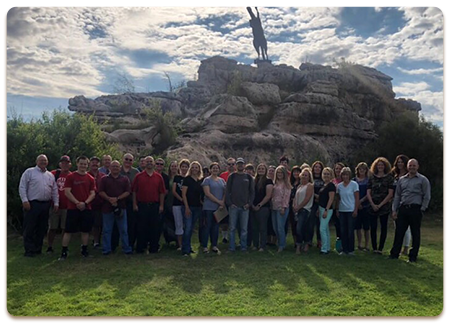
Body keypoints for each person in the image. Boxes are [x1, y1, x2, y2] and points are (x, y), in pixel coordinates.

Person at [389, 159, 431, 263]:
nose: (412, 167)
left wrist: (422, 209)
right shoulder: (402, 180)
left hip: (415, 209)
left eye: (414, 165)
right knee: (399, 232)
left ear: (417, 167)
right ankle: (394, 254)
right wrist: (394, 210)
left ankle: (413, 257)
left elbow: (427, 196)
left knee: (415, 233)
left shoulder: (423, 180)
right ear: (407, 167)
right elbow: (397, 196)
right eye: (410, 165)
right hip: (403, 209)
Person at [19, 154, 59, 257]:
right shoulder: (29, 172)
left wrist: (56, 202)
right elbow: (22, 187)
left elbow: (54, 190)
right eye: (41, 160)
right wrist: (25, 200)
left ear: (47, 162)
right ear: (37, 161)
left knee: (42, 228)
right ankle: (29, 250)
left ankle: (38, 249)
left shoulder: (50, 175)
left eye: (45, 161)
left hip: (45, 204)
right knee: (30, 228)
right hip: (32, 204)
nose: (43, 162)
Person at [59, 156, 96, 260]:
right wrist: (77, 203)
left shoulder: (90, 178)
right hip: (73, 208)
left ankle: (84, 251)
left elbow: (93, 193)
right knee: (68, 231)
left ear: (87, 165)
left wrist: (85, 203)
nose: (83, 166)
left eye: (85, 164)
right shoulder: (71, 177)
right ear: (77, 164)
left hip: (86, 208)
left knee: (85, 231)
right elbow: (67, 192)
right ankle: (64, 252)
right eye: (81, 163)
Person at [132, 156, 166, 254]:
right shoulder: (138, 176)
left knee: (154, 228)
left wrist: (161, 206)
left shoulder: (158, 177)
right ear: (144, 163)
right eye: (147, 161)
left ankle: (153, 248)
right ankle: (141, 248)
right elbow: (134, 191)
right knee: (141, 228)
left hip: (154, 206)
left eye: (151, 161)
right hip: (142, 205)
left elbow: (162, 192)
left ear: (154, 163)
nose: (149, 163)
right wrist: (134, 204)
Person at [98, 160, 132, 255]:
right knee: (107, 230)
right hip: (107, 208)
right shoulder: (104, 179)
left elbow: (128, 192)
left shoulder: (125, 179)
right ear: (110, 168)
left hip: (121, 207)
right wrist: (109, 199)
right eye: (113, 166)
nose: (115, 168)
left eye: (117, 166)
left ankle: (126, 249)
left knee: (124, 230)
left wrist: (117, 198)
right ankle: (106, 250)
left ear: (120, 168)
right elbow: (100, 191)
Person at [226, 157, 255, 252]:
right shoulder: (232, 176)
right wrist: (230, 203)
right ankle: (231, 247)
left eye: (241, 164)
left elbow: (252, 192)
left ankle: (243, 247)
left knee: (244, 229)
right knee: (232, 228)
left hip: (245, 207)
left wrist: (249, 204)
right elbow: (227, 191)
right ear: (236, 165)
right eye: (238, 164)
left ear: (244, 165)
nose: (240, 165)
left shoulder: (248, 177)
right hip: (234, 206)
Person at [367, 157, 394, 255]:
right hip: (372, 205)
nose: (380, 167)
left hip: (384, 206)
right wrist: (372, 204)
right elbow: (368, 192)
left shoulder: (389, 178)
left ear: (385, 166)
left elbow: (390, 193)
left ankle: (380, 248)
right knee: (373, 227)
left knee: (383, 227)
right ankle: (374, 247)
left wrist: (381, 204)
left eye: (382, 165)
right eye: (378, 165)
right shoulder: (372, 177)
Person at [46, 155, 72, 254]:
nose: (65, 165)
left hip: (67, 206)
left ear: (70, 164)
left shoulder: (71, 176)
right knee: (52, 227)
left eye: (67, 163)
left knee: (65, 228)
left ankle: (64, 246)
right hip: (54, 205)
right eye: (63, 163)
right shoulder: (53, 174)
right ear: (60, 164)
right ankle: (49, 246)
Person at [201, 162, 226, 254]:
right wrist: (218, 201)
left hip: (219, 208)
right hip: (208, 207)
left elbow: (225, 192)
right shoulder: (207, 180)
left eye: (217, 168)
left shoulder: (222, 181)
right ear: (210, 170)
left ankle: (214, 245)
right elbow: (207, 194)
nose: (215, 169)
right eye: (213, 168)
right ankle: (204, 246)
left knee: (215, 227)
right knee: (207, 227)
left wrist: (222, 202)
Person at [181, 161, 204, 256]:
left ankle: (189, 247)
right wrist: (186, 207)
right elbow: (183, 194)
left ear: (199, 169)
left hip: (197, 207)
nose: (194, 169)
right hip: (188, 207)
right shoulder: (187, 179)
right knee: (188, 228)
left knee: (191, 228)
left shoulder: (200, 180)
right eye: (193, 167)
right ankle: (185, 249)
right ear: (190, 169)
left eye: (196, 167)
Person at [336, 167, 360, 256]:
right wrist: (337, 209)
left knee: (350, 231)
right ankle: (344, 249)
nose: (345, 177)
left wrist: (355, 209)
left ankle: (351, 250)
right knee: (343, 230)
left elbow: (357, 198)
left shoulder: (354, 184)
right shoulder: (339, 186)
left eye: (346, 175)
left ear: (349, 175)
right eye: (343, 175)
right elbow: (338, 199)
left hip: (351, 210)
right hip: (342, 210)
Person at [391, 154, 411, 256]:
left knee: (406, 227)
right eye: (398, 162)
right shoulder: (395, 175)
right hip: (395, 202)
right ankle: (398, 247)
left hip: (405, 203)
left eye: (401, 162)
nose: (400, 164)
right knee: (397, 227)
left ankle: (406, 247)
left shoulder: (409, 175)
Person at [120, 153, 140, 251]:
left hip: (131, 201)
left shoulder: (136, 172)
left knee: (131, 224)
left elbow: (138, 188)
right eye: (126, 159)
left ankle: (130, 244)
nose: (128, 161)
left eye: (130, 160)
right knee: (117, 225)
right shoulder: (117, 170)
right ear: (122, 159)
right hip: (119, 201)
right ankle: (116, 245)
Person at [251, 163, 273, 251]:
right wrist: (252, 205)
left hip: (263, 207)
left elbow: (268, 196)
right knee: (254, 227)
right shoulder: (253, 180)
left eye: (262, 169)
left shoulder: (268, 181)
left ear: (265, 170)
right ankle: (255, 245)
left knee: (262, 227)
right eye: (259, 168)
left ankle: (262, 246)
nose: (261, 170)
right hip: (253, 207)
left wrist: (259, 205)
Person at [293, 168, 314, 254]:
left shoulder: (310, 186)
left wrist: (299, 206)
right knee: (301, 228)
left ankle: (299, 245)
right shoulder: (299, 186)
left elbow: (307, 198)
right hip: (297, 210)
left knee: (300, 228)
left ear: (309, 177)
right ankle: (303, 244)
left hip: (305, 209)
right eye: (303, 175)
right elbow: (295, 197)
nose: (304, 177)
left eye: (306, 175)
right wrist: (294, 206)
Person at [271, 166, 292, 253]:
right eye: (278, 173)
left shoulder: (286, 184)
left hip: (282, 207)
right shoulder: (274, 183)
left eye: (281, 173)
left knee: (280, 227)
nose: (279, 174)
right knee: (275, 227)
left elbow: (286, 197)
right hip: (274, 207)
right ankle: (280, 242)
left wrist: (283, 207)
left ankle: (282, 245)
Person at [88, 156, 106, 249]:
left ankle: (97, 241)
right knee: (90, 224)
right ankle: (87, 242)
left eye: (97, 162)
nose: (95, 164)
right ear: (89, 164)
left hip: (100, 203)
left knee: (99, 224)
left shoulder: (103, 176)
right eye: (93, 162)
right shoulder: (86, 175)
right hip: (88, 203)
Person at [172, 159, 190, 251]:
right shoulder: (177, 177)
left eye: (186, 167)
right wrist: (181, 199)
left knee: (187, 225)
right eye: (182, 166)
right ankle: (180, 245)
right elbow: (174, 191)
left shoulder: (189, 178)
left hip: (187, 204)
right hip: (177, 204)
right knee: (178, 224)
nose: (184, 168)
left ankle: (186, 243)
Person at [318, 167, 336, 255]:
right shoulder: (323, 185)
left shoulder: (331, 186)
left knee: (322, 229)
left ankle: (324, 249)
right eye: (324, 174)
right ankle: (327, 247)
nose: (326, 175)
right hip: (321, 208)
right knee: (326, 229)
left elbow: (331, 199)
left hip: (327, 209)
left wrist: (326, 210)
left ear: (331, 175)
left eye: (328, 174)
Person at [354, 162, 370, 252]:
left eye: (363, 169)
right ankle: (359, 243)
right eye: (360, 169)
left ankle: (367, 244)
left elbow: (369, 193)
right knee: (358, 227)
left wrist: (361, 201)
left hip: (366, 205)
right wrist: (357, 203)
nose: (362, 171)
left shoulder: (368, 180)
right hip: (356, 206)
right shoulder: (354, 180)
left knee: (366, 227)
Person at [219, 157, 236, 243]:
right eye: (229, 164)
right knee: (224, 221)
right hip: (224, 200)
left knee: (234, 221)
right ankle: (225, 237)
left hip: (236, 200)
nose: (231, 166)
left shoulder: (239, 174)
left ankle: (233, 237)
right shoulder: (222, 175)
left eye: (233, 164)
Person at [308, 161, 324, 249]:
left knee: (320, 224)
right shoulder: (311, 179)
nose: (317, 169)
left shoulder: (323, 179)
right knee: (311, 223)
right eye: (315, 167)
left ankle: (319, 241)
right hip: (311, 203)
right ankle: (309, 241)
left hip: (321, 203)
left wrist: (320, 197)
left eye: (319, 167)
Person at [287, 166, 302, 245]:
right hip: (291, 205)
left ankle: (301, 241)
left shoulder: (302, 183)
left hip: (300, 205)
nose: (296, 173)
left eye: (298, 172)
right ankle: (295, 242)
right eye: (294, 172)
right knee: (293, 223)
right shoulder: (290, 183)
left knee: (299, 224)